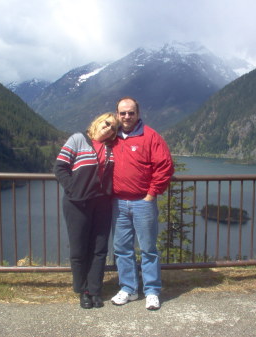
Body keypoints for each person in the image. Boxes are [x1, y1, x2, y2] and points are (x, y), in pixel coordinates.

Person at [110, 96, 174, 310]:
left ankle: (152, 291)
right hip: (118, 202)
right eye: (122, 113)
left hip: (142, 203)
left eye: (131, 112)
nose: (126, 116)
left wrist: (151, 193)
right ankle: (128, 288)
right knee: (122, 249)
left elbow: (165, 166)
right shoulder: (112, 137)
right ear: (117, 114)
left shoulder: (150, 136)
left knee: (148, 249)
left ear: (138, 114)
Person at [54, 112, 118, 309]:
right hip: (77, 204)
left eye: (114, 128)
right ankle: (82, 291)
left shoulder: (111, 148)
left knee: (99, 249)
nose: (108, 128)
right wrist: (73, 190)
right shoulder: (78, 140)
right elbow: (60, 167)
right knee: (79, 249)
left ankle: (95, 290)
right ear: (98, 122)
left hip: (102, 204)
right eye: (106, 123)